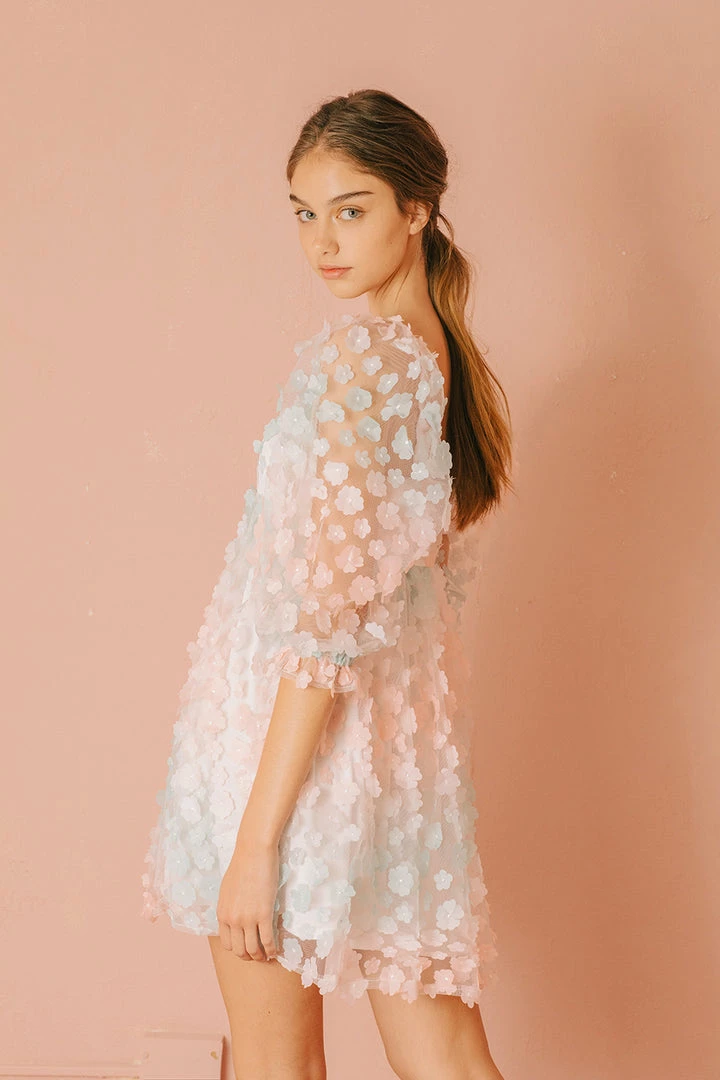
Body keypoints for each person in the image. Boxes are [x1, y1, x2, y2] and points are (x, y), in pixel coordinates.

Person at [142, 88, 514, 1080]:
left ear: (416, 209)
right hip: (390, 765)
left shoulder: (369, 364)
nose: (322, 241)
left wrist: (257, 840)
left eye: (351, 209)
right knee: (443, 1055)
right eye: (305, 213)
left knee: (276, 1063)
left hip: (289, 763)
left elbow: (325, 626)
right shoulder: (438, 361)